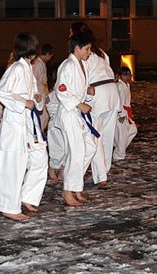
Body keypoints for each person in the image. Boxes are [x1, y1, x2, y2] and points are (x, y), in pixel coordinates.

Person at [0, 32, 48, 221]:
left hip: (28, 122)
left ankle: (28, 195)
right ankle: (9, 206)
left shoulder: (27, 69)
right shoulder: (17, 68)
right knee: (13, 165)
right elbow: (1, 91)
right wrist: (23, 103)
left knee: (40, 157)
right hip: (15, 122)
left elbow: (33, 94)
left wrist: (37, 99)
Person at [70, 22, 120, 189]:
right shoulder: (102, 53)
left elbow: (81, 77)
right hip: (112, 93)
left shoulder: (84, 55)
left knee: (95, 136)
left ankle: (101, 175)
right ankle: (104, 170)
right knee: (107, 135)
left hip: (97, 93)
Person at [55, 32, 97, 207]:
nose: (89, 52)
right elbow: (62, 90)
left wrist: (87, 91)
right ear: (77, 49)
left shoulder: (82, 65)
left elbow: (76, 87)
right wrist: (80, 104)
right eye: (87, 49)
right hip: (69, 113)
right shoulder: (67, 66)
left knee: (90, 147)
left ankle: (75, 183)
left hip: (77, 114)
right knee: (77, 150)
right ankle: (68, 190)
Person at [113, 66, 138, 161]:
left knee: (132, 130)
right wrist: (121, 114)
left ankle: (119, 148)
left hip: (126, 111)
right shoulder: (118, 86)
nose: (128, 77)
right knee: (122, 133)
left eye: (129, 75)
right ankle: (119, 154)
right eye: (125, 75)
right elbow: (118, 101)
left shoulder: (126, 85)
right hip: (121, 112)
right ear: (119, 76)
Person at [31, 43, 54, 130]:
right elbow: (38, 81)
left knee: (44, 116)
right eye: (50, 56)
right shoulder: (37, 64)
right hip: (39, 93)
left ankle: (39, 132)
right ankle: (38, 133)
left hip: (42, 92)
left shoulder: (40, 63)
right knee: (42, 116)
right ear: (47, 54)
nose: (50, 59)